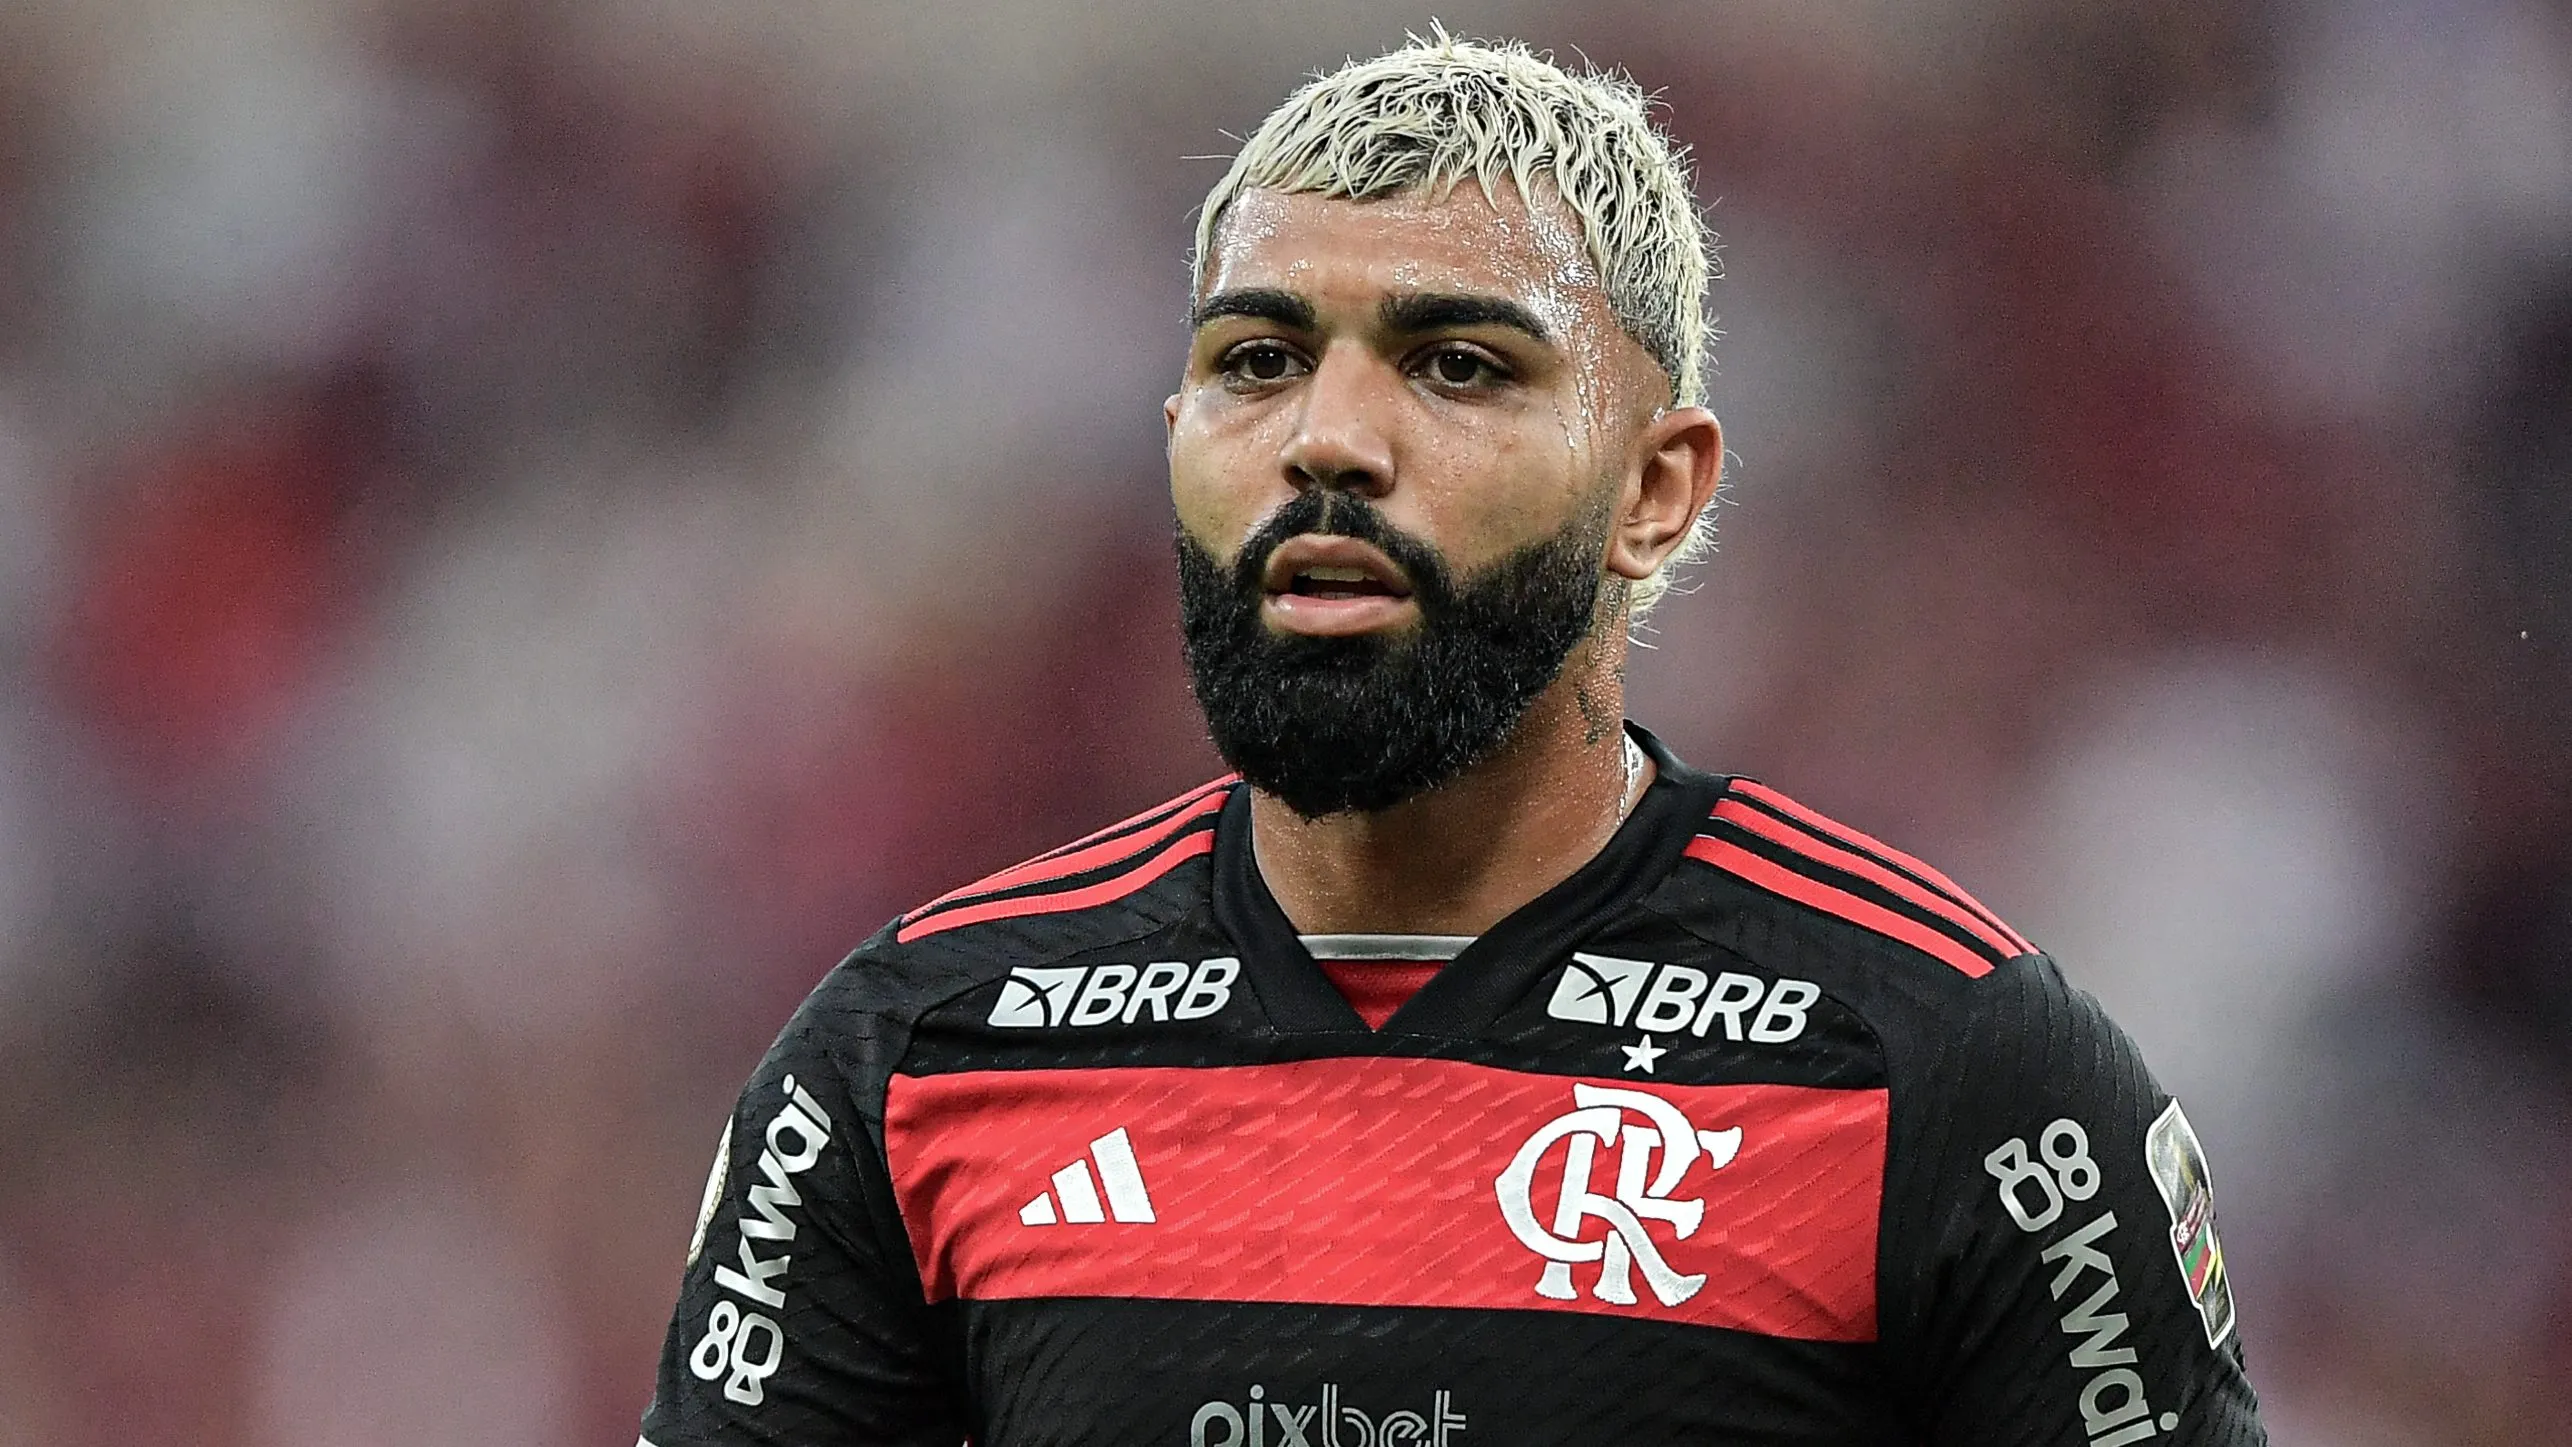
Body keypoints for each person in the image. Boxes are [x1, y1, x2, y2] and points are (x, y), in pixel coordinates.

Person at [640, 31, 2267, 1447]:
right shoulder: (915, 1056)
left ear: (1658, 488)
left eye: (1459, 364)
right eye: (1258, 362)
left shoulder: (1954, 1070)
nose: (1330, 440)